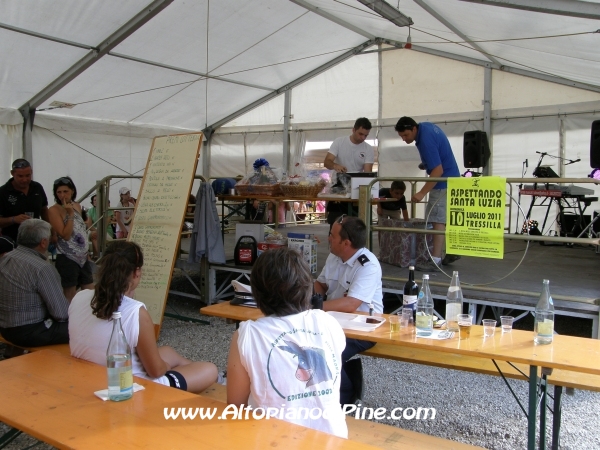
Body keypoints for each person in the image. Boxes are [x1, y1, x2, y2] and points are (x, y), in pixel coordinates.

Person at [227, 247, 347, 438]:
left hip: (272, 440)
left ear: (256, 291)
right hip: (334, 439)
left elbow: (235, 407)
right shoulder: (328, 322)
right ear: (307, 286)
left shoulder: (248, 334)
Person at [69, 241, 218, 392]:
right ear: (136, 273)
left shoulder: (79, 297)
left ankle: (188, 369)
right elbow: (155, 371)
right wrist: (166, 367)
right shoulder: (136, 312)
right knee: (210, 369)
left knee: (168, 352)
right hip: (130, 385)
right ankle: (206, 377)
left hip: (90, 372)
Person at [313, 216, 382, 405]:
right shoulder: (334, 255)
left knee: (326, 351)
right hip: (333, 321)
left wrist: (312, 305)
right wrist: (306, 295)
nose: (328, 238)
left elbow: (351, 304)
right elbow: (321, 284)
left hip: (363, 328)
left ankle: (347, 395)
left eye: (332, 235)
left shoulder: (368, 265)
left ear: (346, 242)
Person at [395, 116, 461, 271]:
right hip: (453, 179)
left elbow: (438, 170)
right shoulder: (427, 127)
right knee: (447, 219)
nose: (404, 139)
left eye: (406, 135)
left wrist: (421, 193)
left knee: (437, 220)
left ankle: (435, 260)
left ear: (413, 129)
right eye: (401, 137)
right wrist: (426, 163)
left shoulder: (424, 140)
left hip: (443, 183)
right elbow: (439, 154)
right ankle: (452, 250)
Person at [0, 219, 69, 346]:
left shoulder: (6, 258)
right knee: (84, 327)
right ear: (43, 243)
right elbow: (61, 313)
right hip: (31, 331)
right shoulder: (42, 268)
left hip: (5, 327)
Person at [48, 177, 94, 301]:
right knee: (70, 294)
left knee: (89, 291)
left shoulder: (77, 206)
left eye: (65, 191)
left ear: (72, 191)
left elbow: (81, 230)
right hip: (67, 256)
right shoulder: (53, 210)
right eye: (59, 192)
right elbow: (65, 235)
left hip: (83, 256)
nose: (63, 195)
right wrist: (70, 214)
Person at [324, 117, 375, 226]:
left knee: (356, 224)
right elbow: (327, 162)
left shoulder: (368, 148)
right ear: (353, 130)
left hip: (357, 189)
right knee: (336, 222)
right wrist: (335, 165)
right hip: (338, 187)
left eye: (366, 135)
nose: (363, 138)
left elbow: (367, 172)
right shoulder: (339, 142)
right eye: (360, 134)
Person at [0, 159, 50, 241]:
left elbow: (44, 210)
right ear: (12, 173)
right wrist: (13, 219)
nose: (25, 180)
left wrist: (51, 231)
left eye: (28, 175)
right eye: (20, 176)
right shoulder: (3, 192)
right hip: (12, 241)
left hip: (36, 239)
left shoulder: (37, 187)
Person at [87, 194, 114, 259]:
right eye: (95, 200)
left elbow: (106, 224)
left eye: (98, 200)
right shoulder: (90, 210)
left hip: (106, 230)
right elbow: (89, 225)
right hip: (95, 230)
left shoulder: (108, 209)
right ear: (92, 202)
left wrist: (97, 231)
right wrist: (97, 231)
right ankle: (99, 256)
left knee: (94, 235)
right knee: (94, 234)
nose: (96, 201)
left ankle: (97, 256)